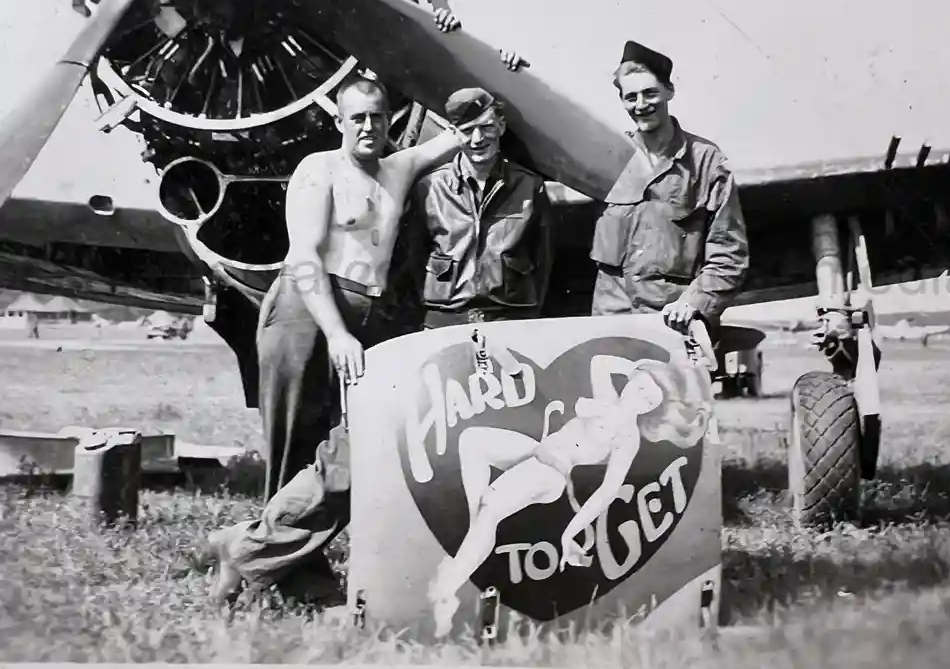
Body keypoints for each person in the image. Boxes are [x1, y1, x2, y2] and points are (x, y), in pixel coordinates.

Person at [204, 55, 525, 607]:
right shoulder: (318, 170)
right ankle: (288, 571)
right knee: (293, 447)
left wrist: (495, 66)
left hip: (365, 316)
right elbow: (304, 256)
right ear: (338, 119)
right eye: (357, 118)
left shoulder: (399, 169)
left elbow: (469, 124)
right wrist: (336, 333)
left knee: (360, 448)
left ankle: (250, 549)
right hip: (308, 309)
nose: (368, 127)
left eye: (377, 117)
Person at [425, 353, 713, 638]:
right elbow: (599, 362)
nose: (639, 400)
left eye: (649, 401)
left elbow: (607, 493)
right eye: (639, 389)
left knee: (491, 509)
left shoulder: (627, 438)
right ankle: (472, 542)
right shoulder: (606, 398)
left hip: (552, 472)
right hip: (537, 450)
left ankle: (447, 590)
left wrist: (569, 535)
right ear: (632, 379)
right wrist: (639, 368)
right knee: (473, 441)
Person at [590, 41, 749, 338]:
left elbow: (729, 254)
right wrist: (512, 70)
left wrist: (693, 303)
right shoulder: (609, 158)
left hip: (674, 325)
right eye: (631, 97)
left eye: (650, 93)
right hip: (611, 323)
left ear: (669, 92)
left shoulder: (705, 161)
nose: (641, 105)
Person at [407, 86, 554, 329]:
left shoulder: (529, 187)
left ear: (501, 126)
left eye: (486, 126)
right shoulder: (429, 188)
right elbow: (415, 256)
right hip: (446, 318)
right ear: (454, 133)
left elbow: (543, 259)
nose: (477, 139)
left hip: (510, 316)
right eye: (467, 130)